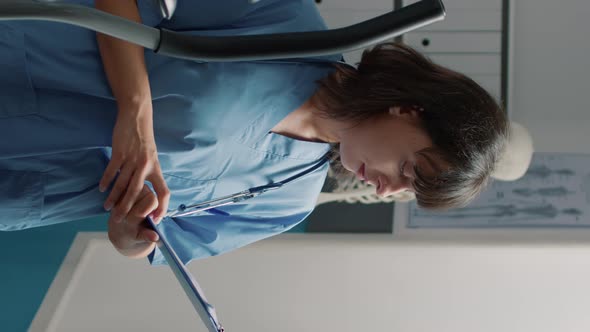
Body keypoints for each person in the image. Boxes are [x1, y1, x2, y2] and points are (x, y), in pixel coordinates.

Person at [0, 0, 508, 265]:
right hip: (20, 68)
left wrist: (128, 237)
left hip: (20, 191)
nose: (389, 189)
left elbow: (155, 246)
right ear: (410, 110)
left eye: (408, 191)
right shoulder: (287, 21)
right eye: (410, 169)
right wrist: (136, 113)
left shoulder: (287, 199)